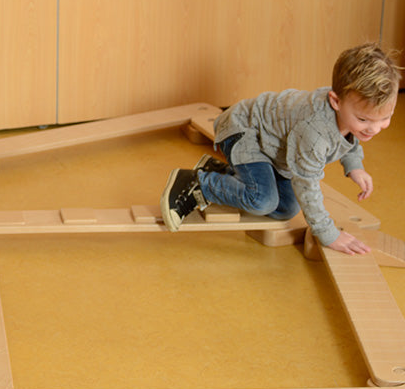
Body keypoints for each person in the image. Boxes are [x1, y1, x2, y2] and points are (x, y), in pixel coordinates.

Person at [160, 43, 401, 255]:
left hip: (272, 149)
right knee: (262, 200)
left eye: (384, 119)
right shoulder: (314, 131)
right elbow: (306, 183)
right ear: (335, 101)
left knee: (286, 208)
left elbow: (350, 137)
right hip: (243, 131)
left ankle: (221, 172)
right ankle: (198, 182)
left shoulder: (349, 112)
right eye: (364, 120)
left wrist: (354, 166)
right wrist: (328, 234)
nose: (374, 129)